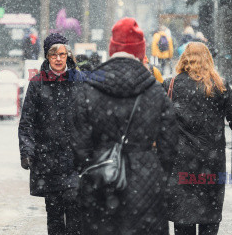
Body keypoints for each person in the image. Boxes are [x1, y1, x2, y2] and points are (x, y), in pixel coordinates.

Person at [71, 17, 180, 234]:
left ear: (112, 49)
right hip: (146, 184)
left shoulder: (88, 90)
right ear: (140, 52)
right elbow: (170, 146)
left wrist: (93, 165)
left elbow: (78, 146)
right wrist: (154, 171)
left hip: (101, 183)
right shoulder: (155, 91)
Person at [163, 42, 232, 235]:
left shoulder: (171, 85)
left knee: (183, 217)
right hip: (211, 163)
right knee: (209, 217)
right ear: (208, 60)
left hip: (181, 162)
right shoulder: (219, 86)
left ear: (184, 59)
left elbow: (158, 122)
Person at [18, 33, 84, 235]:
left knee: (75, 213)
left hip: (75, 159)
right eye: (53, 54)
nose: (58, 58)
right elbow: (27, 121)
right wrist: (27, 151)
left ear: (67, 55)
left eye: (62, 54)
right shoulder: (37, 83)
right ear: (47, 56)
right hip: (48, 160)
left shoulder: (79, 81)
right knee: (54, 214)